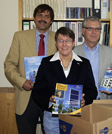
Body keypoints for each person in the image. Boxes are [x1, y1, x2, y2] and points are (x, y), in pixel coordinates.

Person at [31, 27, 97, 134]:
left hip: (77, 116)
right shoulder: (46, 63)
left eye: (68, 41)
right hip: (52, 117)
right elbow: (37, 91)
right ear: (56, 43)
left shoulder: (84, 64)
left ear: (73, 43)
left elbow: (92, 90)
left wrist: (86, 100)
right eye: (61, 41)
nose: (64, 44)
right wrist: (49, 99)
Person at [4, 4, 56, 134]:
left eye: (47, 16)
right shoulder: (19, 36)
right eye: (40, 15)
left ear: (51, 21)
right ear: (34, 18)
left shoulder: (58, 39)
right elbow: (9, 64)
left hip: (50, 98)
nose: (43, 18)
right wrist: (22, 82)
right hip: (26, 97)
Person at [74, 16, 112, 100]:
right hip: (81, 103)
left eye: (97, 29)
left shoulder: (110, 52)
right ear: (83, 31)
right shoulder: (73, 52)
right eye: (90, 28)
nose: (94, 32)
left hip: (104, 102)